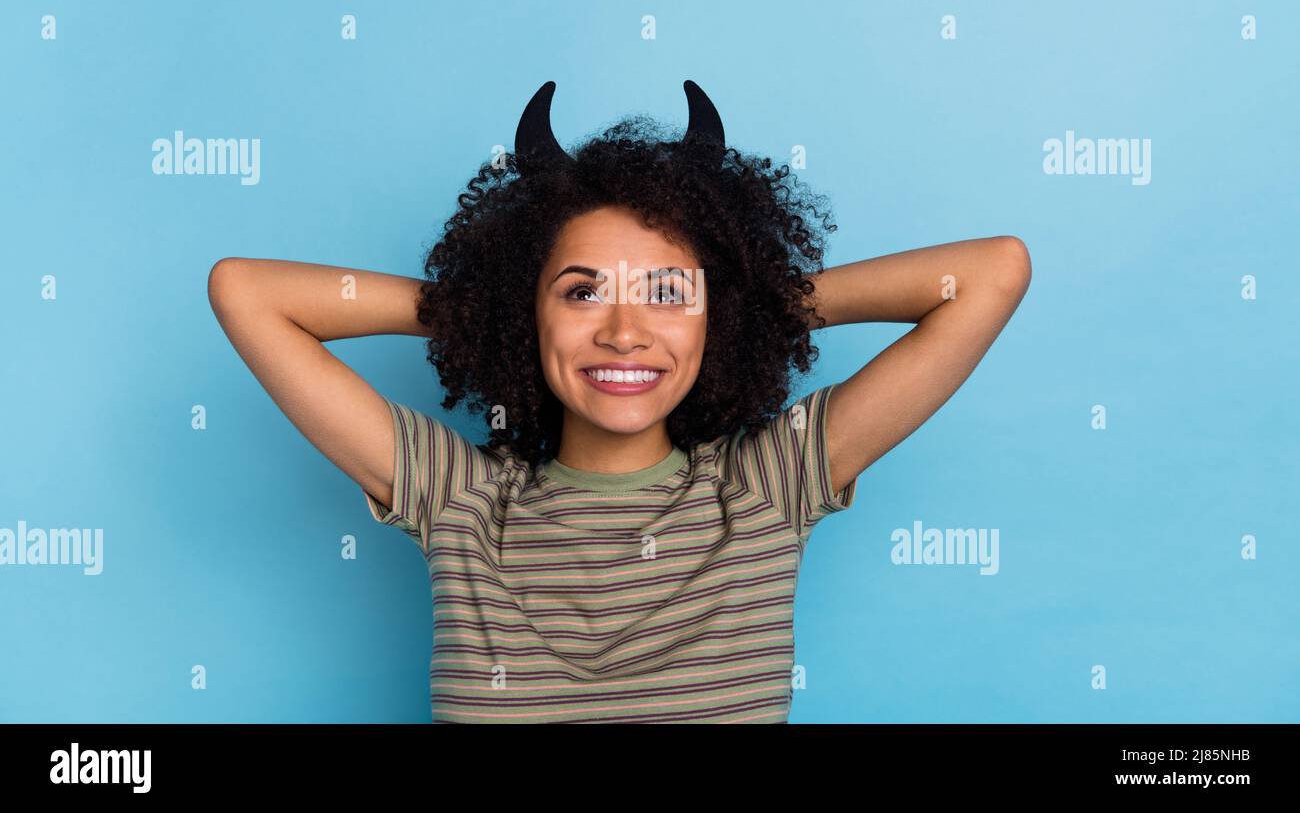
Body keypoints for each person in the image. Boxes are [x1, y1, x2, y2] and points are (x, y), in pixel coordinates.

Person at [207, 80, 1032, 722]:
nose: (626, 331)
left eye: (668, 293)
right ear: (527, 312)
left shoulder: (767, 487)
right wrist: (482, 307)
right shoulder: (459, 499)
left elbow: (992, 272)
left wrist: (748, 300)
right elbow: (245, 292)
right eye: (580, 293)